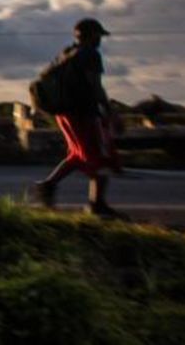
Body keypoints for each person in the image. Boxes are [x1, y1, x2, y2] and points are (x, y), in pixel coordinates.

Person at [35, 18, 127, 220]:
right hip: (83, 114)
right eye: (98, 36)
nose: (100, 40)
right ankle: (97, 205)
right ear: (91, 36)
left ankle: (48, 186)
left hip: (65, 115)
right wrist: (110, 112)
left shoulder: (66, 53)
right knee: (100, 157)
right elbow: (95, 86)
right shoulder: (90, 55)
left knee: (78, 154)